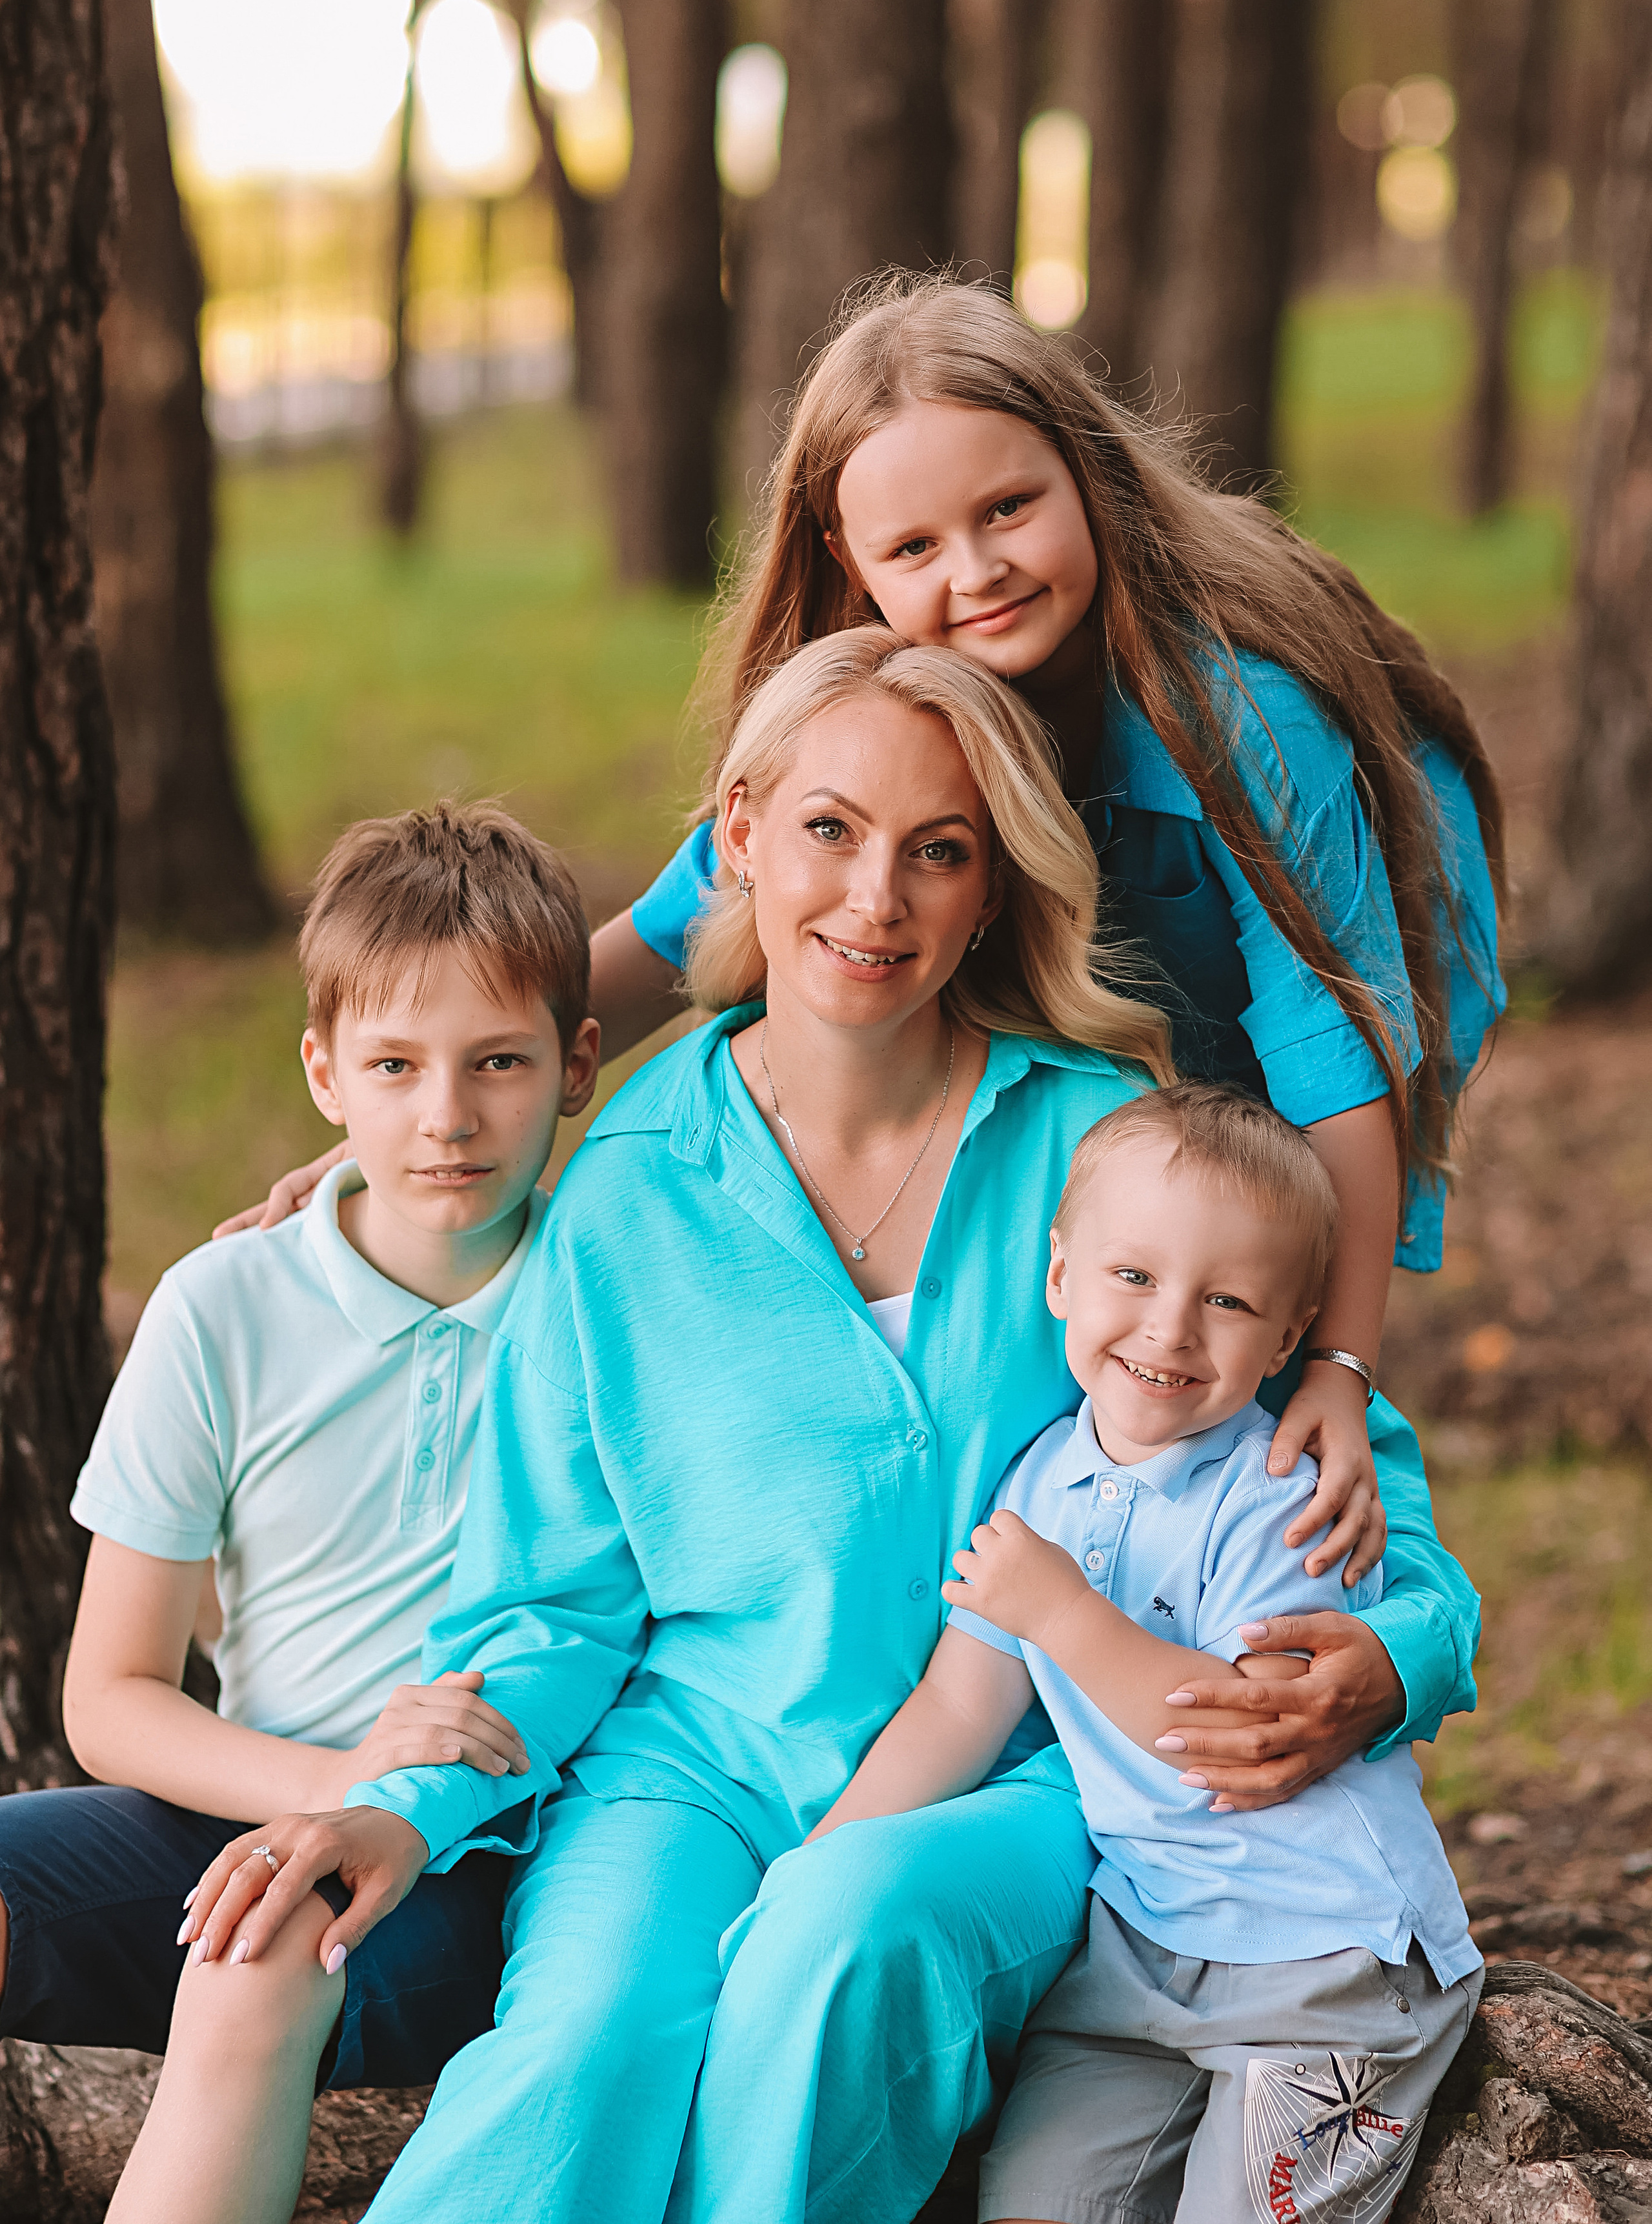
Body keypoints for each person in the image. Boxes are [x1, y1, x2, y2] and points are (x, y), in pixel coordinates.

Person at [176, 632, 1476, 2224]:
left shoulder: (1107, 1138)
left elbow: (1335, 1467)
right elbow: (551, 1609)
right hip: (692, 1770)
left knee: (834, 1945)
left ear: (995, 884)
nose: (877, 896)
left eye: (940, 850)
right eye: (830, 832)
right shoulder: (628, 1181)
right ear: (738, 836)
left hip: (1021, 1779)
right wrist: (394, 1807)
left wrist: (1404, 1656)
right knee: (580, 2051)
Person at [223, 272, 1502, 1810]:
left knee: (1242, 1375)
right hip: (1048, 1077)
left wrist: (1344, 1361)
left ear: (1081, 472)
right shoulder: (862, 736)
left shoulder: (1236, 722)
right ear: (849, 563)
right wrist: (434, 1096)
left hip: (1255, 1090)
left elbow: (1338, 1069)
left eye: (1008, 510)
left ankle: (1279, 1729)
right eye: (912, 547)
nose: (972, 572)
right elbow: (668, 943)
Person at [2, 802, 601, 2224]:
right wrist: (322, 1770)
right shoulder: (223, 1308)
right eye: (395, 1068)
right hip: (241, 1798)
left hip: (476, 1860)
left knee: (268, 1939)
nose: (445, 1118)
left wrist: (373, 1799)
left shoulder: (612, 1302)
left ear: (575, 1072)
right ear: (324, 1074)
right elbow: (114, 1697)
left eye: (498, 1064)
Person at [811, 1080, 1481, 2224]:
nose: (1168, 1330)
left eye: (1225, 1301)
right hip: (1139, 1952)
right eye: (1131, 1276)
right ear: (1058, 1275)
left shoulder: (1286, 1488)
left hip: (1319, 1959)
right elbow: (960, 1706)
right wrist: (817, 1866)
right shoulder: (1041, 1478)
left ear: (1285, 1339)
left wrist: (1064, 1613)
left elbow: (1236, 1735)